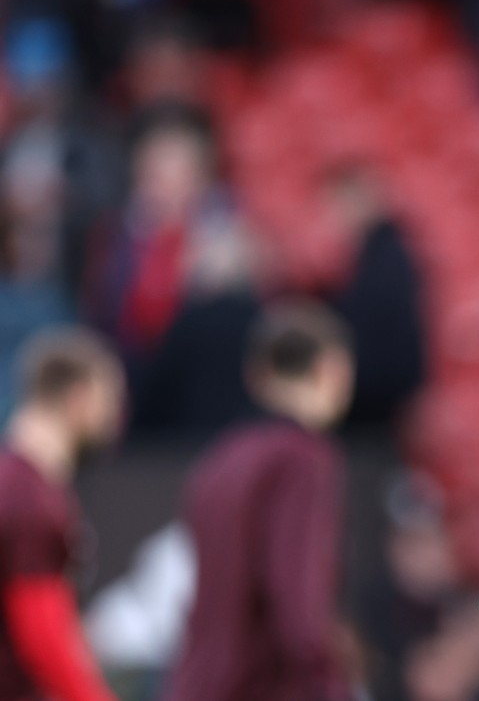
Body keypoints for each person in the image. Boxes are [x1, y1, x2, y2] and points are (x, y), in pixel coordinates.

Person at [164, 299, 356, 701]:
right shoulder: (304, 460)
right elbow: (296, 599)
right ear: (333, 369)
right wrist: (329, 684)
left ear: (258, 375)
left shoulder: (220, 459)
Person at [0, 326, 126, 701]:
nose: (114, 417)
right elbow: (42, 629)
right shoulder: (30, 499)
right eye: (109, 400)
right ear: (79, 398)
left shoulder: (23, 485)